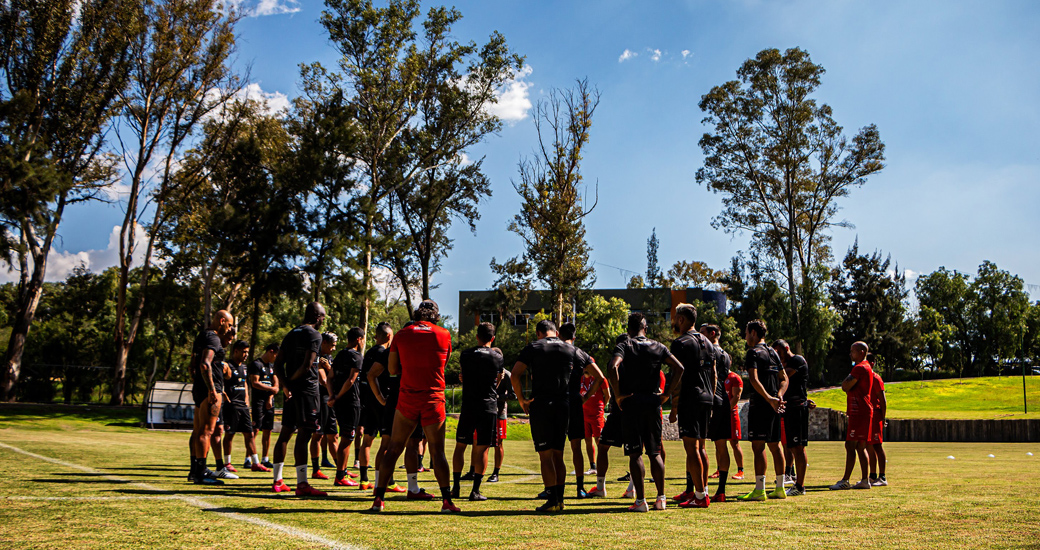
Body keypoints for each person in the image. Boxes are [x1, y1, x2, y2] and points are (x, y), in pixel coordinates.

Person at [371, 300, 459, 513]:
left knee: (393, 448)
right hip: (433, 397)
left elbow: (392, 369)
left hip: (408, 397)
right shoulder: (444, 334)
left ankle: (378, 500)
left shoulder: (401, 334)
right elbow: (443, 363)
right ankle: (446, 501)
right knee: (438, 452)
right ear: (435, 316)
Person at [606, 313, 684, 512]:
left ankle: (641, 501)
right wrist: (666, 394)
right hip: (653, 402)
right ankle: (661, 498)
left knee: (635, 454)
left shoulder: (625, 346)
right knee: (655, 452)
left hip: (631, 403)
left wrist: (618, 395)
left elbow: (612, 366)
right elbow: (679, 368)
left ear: (629, 329)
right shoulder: (658, 346)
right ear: (645, 328)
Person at [511, 319, 584, 512]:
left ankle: (551, 500)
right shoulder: (570, 348)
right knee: (558, 455)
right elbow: (596, 372)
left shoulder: (534, 346)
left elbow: (515, 374)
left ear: (538, 333)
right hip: (564, 405)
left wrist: (522, 399)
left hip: (542, 405)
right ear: (556, 332)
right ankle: (560, 500)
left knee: (545, 455)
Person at [271, 302, 328, 497]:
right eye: (322, 316)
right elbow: (307, 365)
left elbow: (278, 364)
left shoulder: (291, 334)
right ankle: (302, 484)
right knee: (304, 435)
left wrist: (286, 385)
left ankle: (277, 480)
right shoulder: (314, 335)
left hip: (291, 392)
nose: (323, 320)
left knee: (286, 433)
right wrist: (292, 384)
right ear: (315, 316)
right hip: (306, 391)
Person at [368, 322, 430, 499]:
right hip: (405, 400)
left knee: (392, 444)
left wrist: (382, 399)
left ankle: (387, 487)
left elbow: (371, 375)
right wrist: (381, 398)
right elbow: (371, 375)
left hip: (397, 401)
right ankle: (407, 488)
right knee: (407, 444)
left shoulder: (394, 352)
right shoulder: (409, 353)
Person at [667, 304, 716, 509]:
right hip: (706, 398)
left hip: (690, 398)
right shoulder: (708, 342)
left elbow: (676, 376)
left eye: (674, 318)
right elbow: (713, 373)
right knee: (701, 446)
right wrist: (711, 397)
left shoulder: (680, 343)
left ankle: (699, 495)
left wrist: (673, 404)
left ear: (681, 319)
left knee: (691, 448)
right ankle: (702, 491)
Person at [735, 319, 789, 502]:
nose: (745, 336)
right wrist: (778, 396)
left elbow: (753, 379)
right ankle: (780, 488)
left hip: (761, 405)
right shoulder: (774, 352)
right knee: (775, 445)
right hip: (775, 405)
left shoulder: (753, 353)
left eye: (746, 332)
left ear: (754, 333)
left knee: (758, 447)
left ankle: (760, 490)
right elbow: (784, 378)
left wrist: (769, 398)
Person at [451, 322, 503, 501]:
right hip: (488, 406)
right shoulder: (497, 357)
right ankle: (475, 490)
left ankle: (456, 487)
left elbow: (464, 378)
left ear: (476, 336)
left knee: (460, 446)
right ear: (493, 338)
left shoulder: (465, 355)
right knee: (483, 448)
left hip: (469, 405)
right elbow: (496, 381)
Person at [559, 322, 607, 498]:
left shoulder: (555, 350)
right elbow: (600, 377)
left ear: (558, 334)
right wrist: (585, 397)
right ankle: (580, 488)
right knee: (576, 447)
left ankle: (553, 488)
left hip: (557, 401)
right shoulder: (580, 353)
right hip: (574, 403)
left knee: (554, 448)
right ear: (574, 336)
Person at [188, 310, 235, 486]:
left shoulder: (202, 336)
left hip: (200, 388)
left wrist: (200, 384)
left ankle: (196, 470)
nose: (229, 328)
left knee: (199, 431)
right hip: (209, 390)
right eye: (229, 324)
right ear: (222, 321)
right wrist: (212, 389)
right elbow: (204, 364)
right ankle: (201, 473)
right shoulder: (213, 338)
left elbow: (192, 365)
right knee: (206, 431)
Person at [587, 333, 630, 498]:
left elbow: (612, 369)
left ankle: (600, 487)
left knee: (603, 446)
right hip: (634, 410)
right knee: (635, 451)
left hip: (619, 410)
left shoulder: (618, 359)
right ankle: (632, 488)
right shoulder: (638, 359)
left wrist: (618, 395)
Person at [830, 341, 874, 490]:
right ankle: (864, 480)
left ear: (861, 352)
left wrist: (848, 381)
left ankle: (846, 480)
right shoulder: (865, 367)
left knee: (850, 445)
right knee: (860, 446)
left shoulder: (860, 368)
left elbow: (845, 386)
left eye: (853, 351)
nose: (850, 354)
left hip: (859, 412)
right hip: (862, 411)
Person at [772, 339, 813, 497]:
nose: (778, 356)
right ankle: (796, 482)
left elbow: (783, 377)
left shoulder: (797, 360)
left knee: (798, 447)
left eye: (779, 352)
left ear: (786, 348)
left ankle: (800, 486)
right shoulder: (786, 364)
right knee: (791, 446)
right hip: (791, 408)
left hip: (797, 408)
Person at [222, 340, 264, 474]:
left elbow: (245, 384)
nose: (246, 354)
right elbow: (220, 382)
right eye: (243, 352)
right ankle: (227, 463)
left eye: (247, 352)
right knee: (230, 434)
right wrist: (224, 396)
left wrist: (247, 401)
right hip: (231, 406)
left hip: (243, 407)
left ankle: (255, 463)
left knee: (250, 434)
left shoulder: (244, 368)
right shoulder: (227, 366)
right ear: (236, 351)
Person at [357, 324, 389, 490]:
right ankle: (384, 481)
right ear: (389, 337)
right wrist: (382, 399)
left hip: (366, 401)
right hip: (379, 401)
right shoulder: (384, 353)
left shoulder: (368, 352)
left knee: (367, 440)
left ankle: (364, 480)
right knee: (386, 442)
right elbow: (372, 376)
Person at [311, 332, 340, 481]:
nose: (333, 348)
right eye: (332, 345)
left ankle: (341, 469)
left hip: (329, 399)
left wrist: (329, 368)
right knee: (318, 434)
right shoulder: (316, 356)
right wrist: (328, 370)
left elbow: (333, 375)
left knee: (333, 435)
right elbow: (323, 380)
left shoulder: (328, 358)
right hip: (320, 399)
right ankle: (316, 469)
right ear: (324, 343)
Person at [248, 343, 279, 470]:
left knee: (268, 430)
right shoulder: (256, 364)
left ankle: (265, 458)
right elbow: (255, 383)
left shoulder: (272, 366)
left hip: (269, 401)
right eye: (276, 355)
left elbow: (276, 383)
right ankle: (249, 458)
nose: (276, 358)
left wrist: (270, 396)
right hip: (258, 401)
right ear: (271, 351)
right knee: (255, 430)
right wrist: (271, 388)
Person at [486, 368, 514, 483]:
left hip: (499, 412)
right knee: (482, 443)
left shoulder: (506, 374)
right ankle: (476, 471)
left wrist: (496, 397)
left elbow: (513, 395)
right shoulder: (487, 371)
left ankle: (496, 473)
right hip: (486, 411)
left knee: (498, 443)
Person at [580, 368, 609, 478]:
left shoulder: (600, 379)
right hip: (584, 413)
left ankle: (601, 466)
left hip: (597, 414)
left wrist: (601, 409)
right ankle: (593, 466)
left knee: (598, 439)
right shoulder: (581, 379)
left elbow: (608, 395)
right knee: (587, 439)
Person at [867, 353, 888, 487]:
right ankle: (872, 475)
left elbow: (883, 400)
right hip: (867, 416)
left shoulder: (876, 378)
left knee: (877, 446)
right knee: (869, 446)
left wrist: (883, 417)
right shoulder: (862, 377)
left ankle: (882, 476)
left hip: (875, 415)